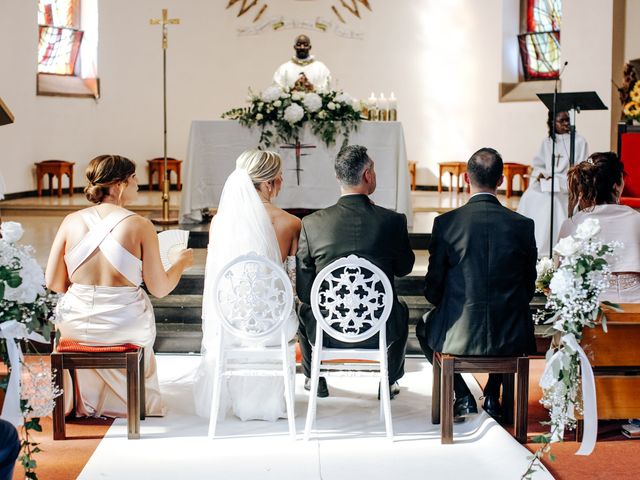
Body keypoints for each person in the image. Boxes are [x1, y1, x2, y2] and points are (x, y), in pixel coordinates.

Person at [45, 155, 193, 417]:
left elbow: (54, 282)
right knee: (138, 316)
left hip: (75, 324)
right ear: (119, 184)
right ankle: (128, 402)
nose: (138, 182)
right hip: (123, 325)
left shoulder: (71, 221)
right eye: (134, 177)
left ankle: (84, 400)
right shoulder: (139, 225)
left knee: (74, 315)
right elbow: (159, 289)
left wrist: (86, 290)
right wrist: (180, 263)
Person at [417, 148, 537, 421]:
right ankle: (493, 393)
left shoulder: (446, 223)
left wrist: (445, 301)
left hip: (459, 331)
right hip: (511, 332)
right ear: (501, 181)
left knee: (425, 327)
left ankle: (463, 396)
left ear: (467, 178)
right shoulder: (522, 225)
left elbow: (433, 288)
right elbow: (527, 288)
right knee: (507, 315)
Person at [296, 145, 415, 398]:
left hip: (327, 329)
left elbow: (306, 292)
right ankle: (389, 379)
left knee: (303, 308)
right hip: (379, 327)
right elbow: (405, 268)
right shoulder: (392, 221)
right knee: (401, 307)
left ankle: (314, 376)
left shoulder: (312, 224)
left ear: (338, 178)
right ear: (368, 175)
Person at [193, 149, 301, 422]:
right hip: (273, 326)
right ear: (268, 184)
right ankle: (269, 402)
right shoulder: (291, 223)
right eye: (279, 179)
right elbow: (292, 282)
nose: (281, 184)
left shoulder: (220, 222)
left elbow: (217, 274)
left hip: (230, 320)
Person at [559, 152, 640, 302]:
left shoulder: (571, 223)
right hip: (635, 306)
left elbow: (562, 272)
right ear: (617, 186)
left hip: (586, 307)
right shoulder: (637, 219)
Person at [517, 110, 589, 257]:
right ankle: (532, 241)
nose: (566, 123)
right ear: (552, 123)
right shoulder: (548, 142)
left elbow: (582, 167)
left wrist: (564, 179)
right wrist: (541, 174)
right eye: (561, 120)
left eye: (568, 120)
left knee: (553, 201)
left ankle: (554, 243)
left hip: (566, 183)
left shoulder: (579, 141)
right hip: (548, 182)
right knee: (530, 196)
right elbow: (538, 165)